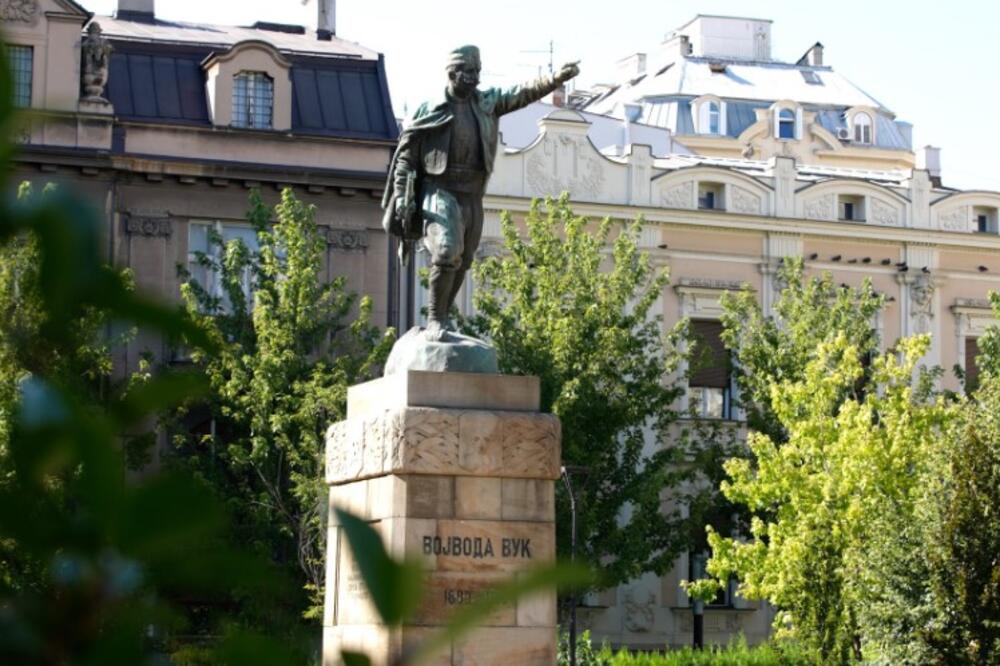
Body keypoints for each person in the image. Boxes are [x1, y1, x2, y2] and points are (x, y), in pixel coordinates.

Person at [383, 45, 580, 341]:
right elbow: (406, 158)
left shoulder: (487, 103)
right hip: (441, 190)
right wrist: (402, 195)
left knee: (465, 259)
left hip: (472, 194)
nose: (475, 78)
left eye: (478, 71)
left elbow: (523, 92)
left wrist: (555, 79)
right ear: (452, 73)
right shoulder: (431, 108)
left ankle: (443, 319)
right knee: (448, 250)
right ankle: (435, 318)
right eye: (469, 72)